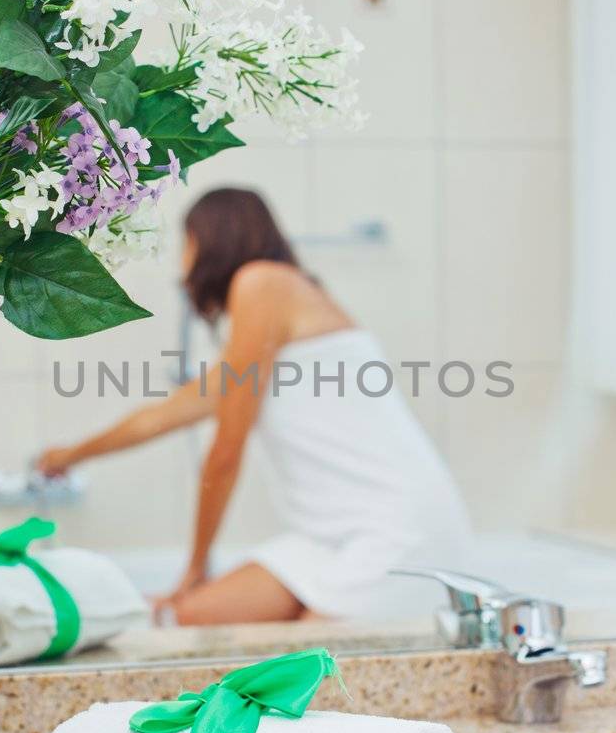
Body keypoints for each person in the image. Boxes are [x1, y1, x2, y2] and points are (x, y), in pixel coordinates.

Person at [37, 188, 471, 624]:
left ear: (208, 240)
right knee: (180, 619)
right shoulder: (271, 320)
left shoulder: (262, 282)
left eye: (185, 244)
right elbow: (156, 419)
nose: (182, 263)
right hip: (326, 538)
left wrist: (194, 568)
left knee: (294, 665)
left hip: (395, 530)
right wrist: (69, 457)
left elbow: (226, 450)